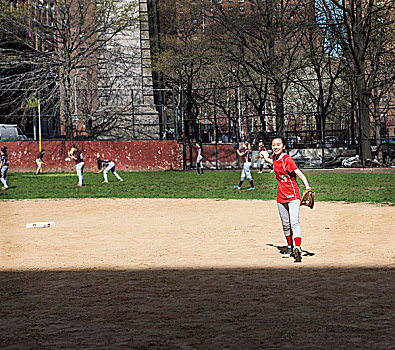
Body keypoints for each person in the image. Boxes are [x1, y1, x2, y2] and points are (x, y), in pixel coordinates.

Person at [261, 136, 311, 263]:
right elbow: (272, 162)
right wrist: (265, 156)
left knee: (294, 221)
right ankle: (290, 247)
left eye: (278, 144)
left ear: (283, 146)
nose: (275, 147)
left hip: (293, 195)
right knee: (285, 224)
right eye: (273, 145)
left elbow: (299, 173)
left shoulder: (287, 160)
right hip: (280, 196)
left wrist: (308, 187)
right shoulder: (275, 158)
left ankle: (298, 248)